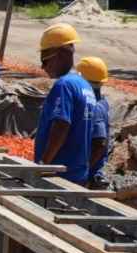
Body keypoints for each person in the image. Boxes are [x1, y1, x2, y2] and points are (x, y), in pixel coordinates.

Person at [34, 23, 97, 185]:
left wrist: (44, 164)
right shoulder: (85, 86)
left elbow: (61, 125)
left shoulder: (64, 85)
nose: (43, 66)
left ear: (61, 54)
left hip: (58, 177)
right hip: (78, 175)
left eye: (45, 60)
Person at [77, 56, 112, 189]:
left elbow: (100, 143)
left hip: (91, 176)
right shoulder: (102, 102)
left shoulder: (95, 107)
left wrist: (84, 170)